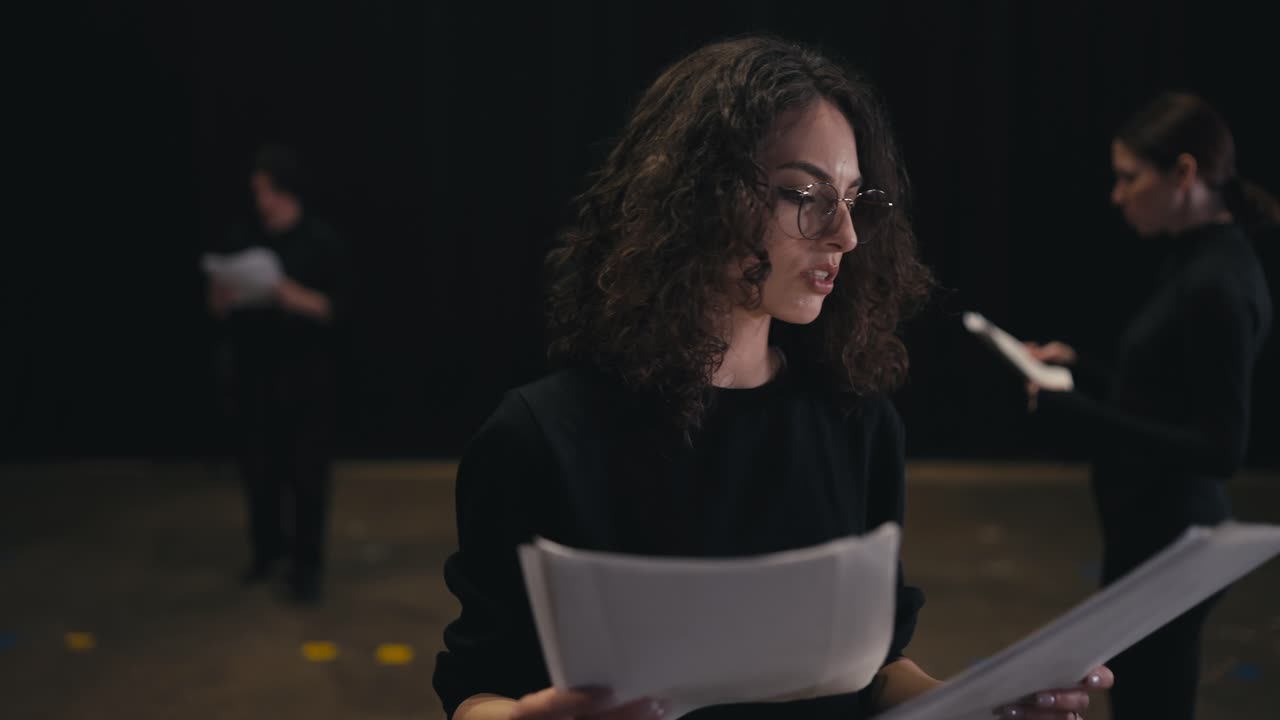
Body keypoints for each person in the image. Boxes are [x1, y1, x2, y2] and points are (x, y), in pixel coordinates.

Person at [433, 36, 1112, 720]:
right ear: (698, 197)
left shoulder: (858, 423)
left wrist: (985, 706)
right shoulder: (542, 438)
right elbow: (476, 689)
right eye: (804, 194)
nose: (844, 235)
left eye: (852, 199)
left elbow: (870, 673)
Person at [1024, 92, 1276, 719]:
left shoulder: (1217, 280)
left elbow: (1220, 448)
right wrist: (1078, 371)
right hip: (1151, 537)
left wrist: (1074, 409)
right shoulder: (1195, 262)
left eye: (1130, 177)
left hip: (1173, 544)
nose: (1118, 194)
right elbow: (1165, 396)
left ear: (1185, 175)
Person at [207, 143, 346, 606]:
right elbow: (216, 305)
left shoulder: (320, 240)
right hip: (254, 375)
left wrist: (289, 293)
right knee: (259, 473)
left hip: (306, 378)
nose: (259, 199)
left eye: (265, 190)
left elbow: (338, 309)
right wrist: (223, 298)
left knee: (306, 478)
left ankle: (306, 566)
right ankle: (266, 552)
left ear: (286, 190)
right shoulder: (242, 234)